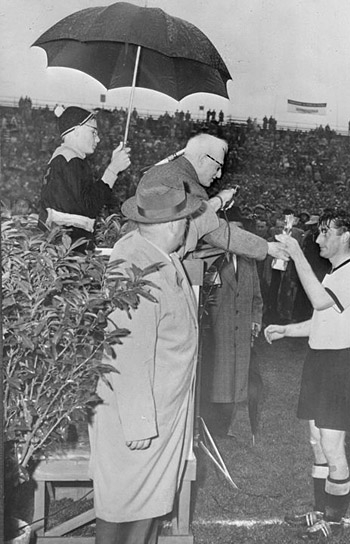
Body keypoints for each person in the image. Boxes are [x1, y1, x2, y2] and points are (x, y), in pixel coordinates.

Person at [88, 169, 204, 544]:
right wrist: (139, 422)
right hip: (139, 415)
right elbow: (126, 349)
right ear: (173, 224)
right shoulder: (135, 262)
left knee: (146, 510)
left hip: (161, 408)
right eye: (186, 218)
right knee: (126, 514)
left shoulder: (156, 251)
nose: (189, 225)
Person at [264, 208, 350, 539]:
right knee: (316, 442)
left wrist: (297, 254)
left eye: (326, 232)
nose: (320, 238)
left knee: (332, 444)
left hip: (338, 365)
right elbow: (321, 321)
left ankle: (334, 523)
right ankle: (320, 511)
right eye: (319, 232)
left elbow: (321, 303)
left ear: (345, 237)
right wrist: (286, 330)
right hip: (319, 361)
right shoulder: (334, 273)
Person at [145, 133, 287, 263]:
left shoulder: (162, 171)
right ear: (202, 159)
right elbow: (217, 231)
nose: (218, 175)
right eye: (218, 167)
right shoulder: (188, 185)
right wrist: (266, 247)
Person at [203, 206, 263, 437]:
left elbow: (257, 297)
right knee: (216, 380)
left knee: (242, 382)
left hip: (242, 334)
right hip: (218, 332)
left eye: (240, 234)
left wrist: (256, 321)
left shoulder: (249, 262)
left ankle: (236, 427)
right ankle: (213, 427)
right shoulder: (210, 259)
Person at [39, 106, 131, 251]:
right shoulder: (71, 161)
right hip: (68, 249)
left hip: (62, 243)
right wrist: (113, 169)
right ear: (76, 131)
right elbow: (90, 206)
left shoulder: (63, 159)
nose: (98, 139)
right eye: (93, 132)